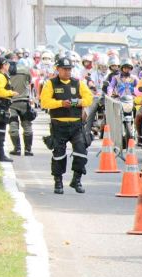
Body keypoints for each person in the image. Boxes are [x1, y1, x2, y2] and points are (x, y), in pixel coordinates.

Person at [39, 57, 93, 194]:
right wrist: (61, 103)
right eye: (65, 69)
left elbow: (88, 99)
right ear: (58, 69)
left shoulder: (78, 83)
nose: (68, 72)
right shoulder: (50, 84)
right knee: (59, 154)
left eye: (69, 69)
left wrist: (75, 102)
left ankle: (77, 180)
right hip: (58, 125)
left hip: (76, 125)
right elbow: (44, 102)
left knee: (81, 152)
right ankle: (58, 182)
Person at [7, 61, 34, 156]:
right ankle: (28, 150)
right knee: (27, 126)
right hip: (24, 102)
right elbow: (30, 82)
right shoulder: (26, 70)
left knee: (13, 126)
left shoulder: (6, 71)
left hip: (11, 102)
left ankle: (17, 149)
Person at [0, 57, 16, 162]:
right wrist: (11, 93)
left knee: (0, 130)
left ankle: (1, 154)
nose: (9, 66)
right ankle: (0, 155)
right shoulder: (0, 76)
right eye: (7, 64)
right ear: (3, 65)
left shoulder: (4, 76)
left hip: (3, 106)